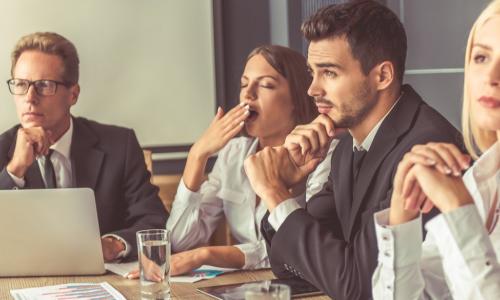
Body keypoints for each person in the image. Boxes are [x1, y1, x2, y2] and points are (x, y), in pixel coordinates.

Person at [243, 1, 464, 299]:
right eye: (312, 73)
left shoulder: (426, 147)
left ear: (382, 76)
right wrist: (290, 190)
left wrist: (274, 193)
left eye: (329, 73)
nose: (312, 89)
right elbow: (303, 272)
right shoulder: (346, 147)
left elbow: (361, 286)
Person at [126, 45, 336, 279]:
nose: (248, 94)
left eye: (265, 85)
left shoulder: (323, 154)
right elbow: (179, 241)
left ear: (297, 98)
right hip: (252, 284)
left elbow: (297, 246)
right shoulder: (234, 153)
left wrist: (205, 254)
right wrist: (197, 155)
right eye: (244, 84)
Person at [0, 32, 168, 261]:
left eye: (44, 85)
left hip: (102, 282)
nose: (30, 98)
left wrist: (113, 245)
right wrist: (15, 170)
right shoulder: (3, 149)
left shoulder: (120, 145)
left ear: (73, 94)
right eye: (21, 84)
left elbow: (154, 221)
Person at [372, 1, 500, 299]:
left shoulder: (462, 191)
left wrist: (458, 211)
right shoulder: (480, 178)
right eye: (481, 57)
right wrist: (402, 216)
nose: (491, 77)